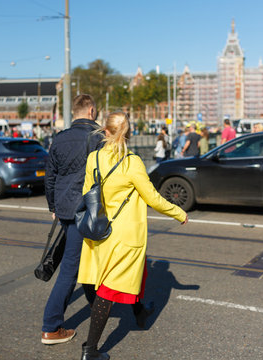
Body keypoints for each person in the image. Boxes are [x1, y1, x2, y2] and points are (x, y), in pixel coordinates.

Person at [77, 112, 188, 360]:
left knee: (133, 274)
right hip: (124, 235)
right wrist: (178, 212)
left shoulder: (93, 158)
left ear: (105, 131)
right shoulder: (132, 162)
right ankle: (90, 350)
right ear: (127, 134)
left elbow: (87, 192)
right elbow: (152, 198)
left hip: (98, 231)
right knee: (108, 290)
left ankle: (139, 313)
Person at [42, 94, 104, 345]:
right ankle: (51, 325)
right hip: (88, 210)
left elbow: (50, 177)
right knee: (70, 268)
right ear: (90, 111)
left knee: (81, 260)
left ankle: (97, 304)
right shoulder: (99, 137)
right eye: (96, 110)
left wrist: (53, 206)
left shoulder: (59, 138)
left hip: (66, 209)